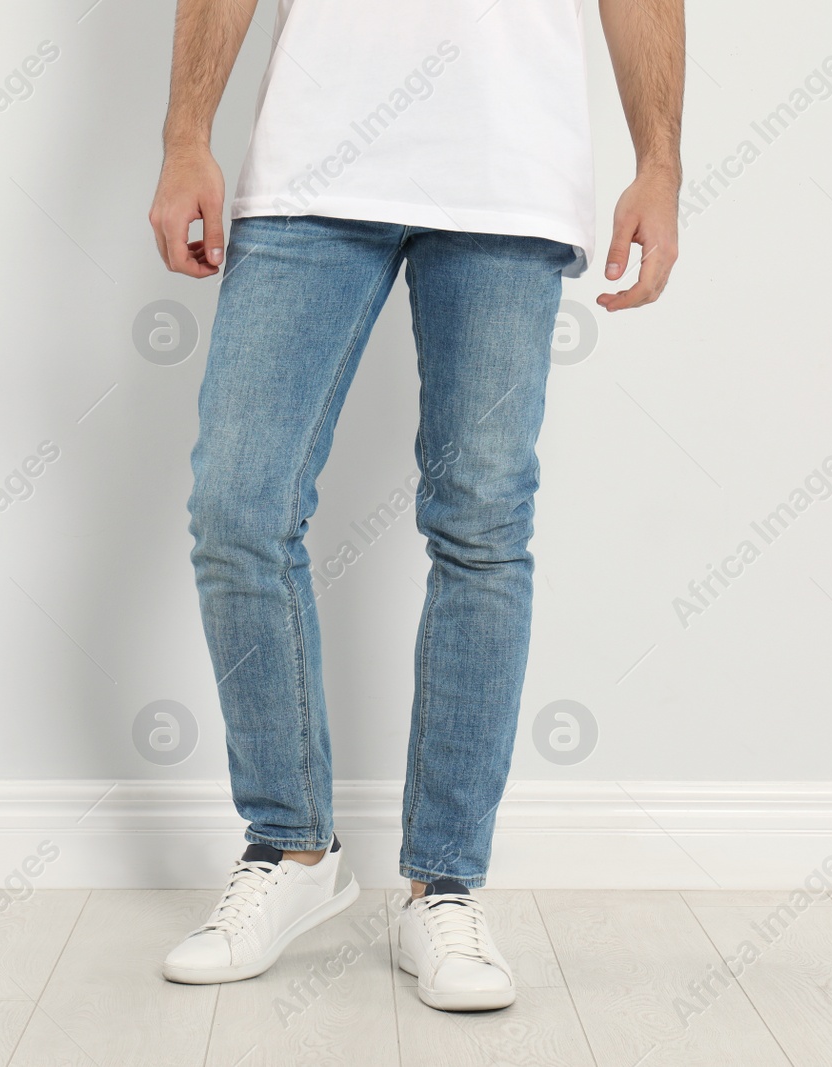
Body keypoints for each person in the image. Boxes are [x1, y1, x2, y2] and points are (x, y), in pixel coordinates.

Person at [147, 0, 683, 1012]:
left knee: (481, 522)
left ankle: (443, 883)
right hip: (311, 160)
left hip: (509, 165)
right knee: (237, 505)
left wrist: (659, 161)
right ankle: (293, 846)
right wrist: (187, 135)